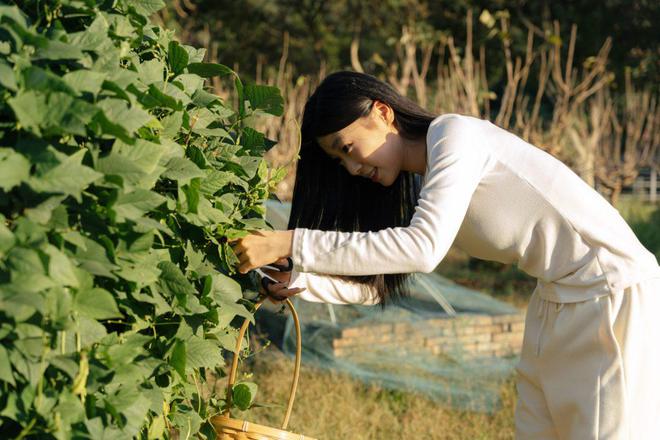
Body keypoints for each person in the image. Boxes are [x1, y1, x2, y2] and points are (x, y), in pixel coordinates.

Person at [229, 71, 660, 439]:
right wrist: (302, 282)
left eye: (346, 148)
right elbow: (383, 288)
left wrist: (289, 242)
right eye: (339, 161)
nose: (352, 167)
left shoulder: (456, 137)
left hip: (611, 294)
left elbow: (423, 250)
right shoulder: (423, 183)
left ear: (382, 112)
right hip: (554, 301)